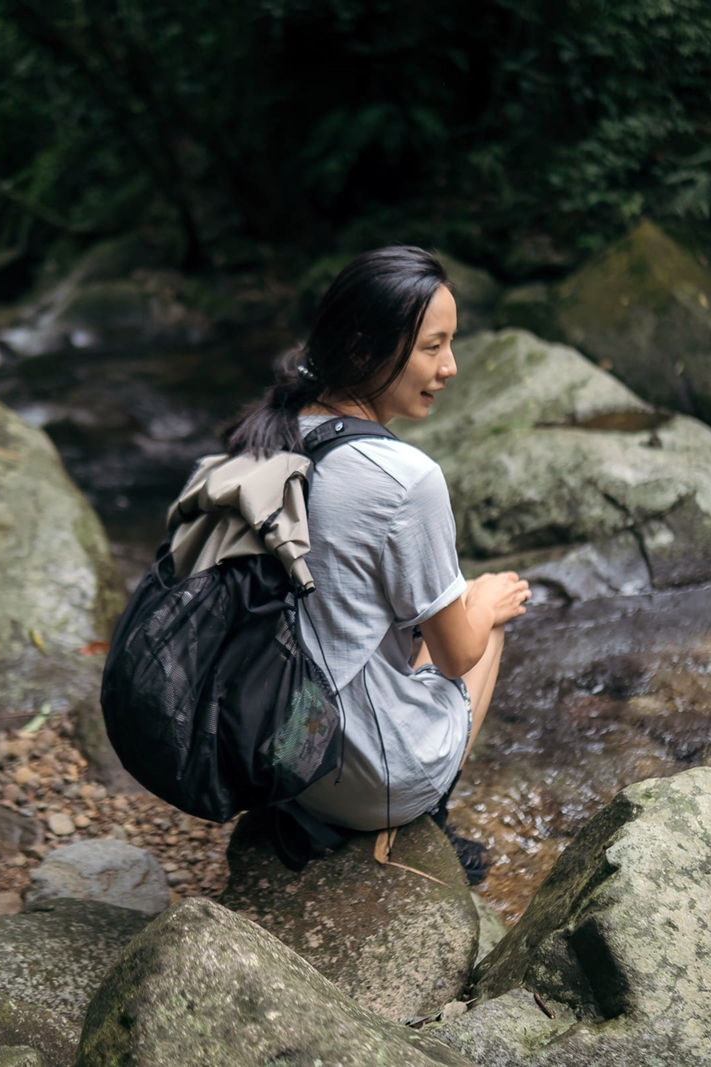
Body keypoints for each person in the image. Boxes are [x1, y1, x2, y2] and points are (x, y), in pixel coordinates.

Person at [223, 246, 530, 877]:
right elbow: (456, 657)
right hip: (361, 781)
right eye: (431, 348)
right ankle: (428, 816)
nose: (450, 367)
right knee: (484, 612)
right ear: (364, 351)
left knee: (407, 615)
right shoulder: (405, 477)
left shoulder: (271, 432)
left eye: (451, 344)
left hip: (278, 746)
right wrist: (486, 603)